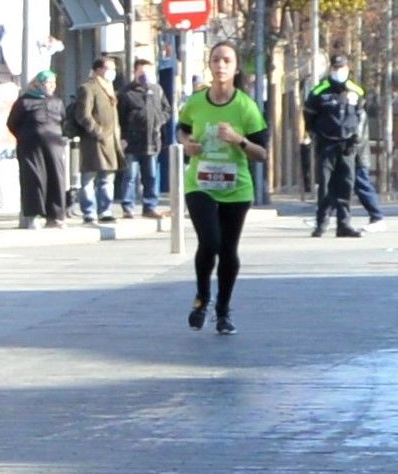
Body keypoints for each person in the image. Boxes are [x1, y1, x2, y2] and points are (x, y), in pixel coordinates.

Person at [177, 53, 268, 333]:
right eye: (216, 60)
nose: (220, 66)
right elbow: (182, 130)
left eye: (227, 61)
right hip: (201, 183)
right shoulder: (195, 102)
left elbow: (261, 153)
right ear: (210, 65)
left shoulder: (246, 106)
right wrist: (187, 144)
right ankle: (202, 298)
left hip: (235, 187)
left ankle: (223, 310)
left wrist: (238, 140)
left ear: (236, 67)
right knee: (210, 241)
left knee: (228, 250)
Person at [301, 67, 370, 238]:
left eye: (342, 68)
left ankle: (344, 224)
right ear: (331, 69)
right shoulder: (319, 91)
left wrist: (357, 137)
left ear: (348, 69)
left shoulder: (356, 90)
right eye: (336, 68)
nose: (339, 71)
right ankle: (321, 223)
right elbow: (309, 115)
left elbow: (361, 116)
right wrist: (314, 134)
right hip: (327, 144)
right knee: (325, 186)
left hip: (348, 145)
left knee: (346, 185)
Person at [70, 57, 125, 237]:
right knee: (88, 179)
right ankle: (89, 212)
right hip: (94, 141)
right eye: (110, 68)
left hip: (111, 141)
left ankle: (105, 211)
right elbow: (83, 114)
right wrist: (97, 131)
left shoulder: (109, 88)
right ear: (99, 69)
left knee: (107, 179)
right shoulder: (88, 87)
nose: (113, 72)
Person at [6, 73, 67, 228]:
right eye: (48, 82)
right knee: (34, 179)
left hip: (55, 147)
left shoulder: (57, 102)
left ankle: (55, 216)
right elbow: (12, 123)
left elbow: (63, 122)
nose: (52, 85)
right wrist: (27, 136)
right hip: (31, 148)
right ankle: (33, 216)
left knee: (56, 179)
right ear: (38, 84)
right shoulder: (25, 101)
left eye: (54, 82)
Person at [113, 52, 165, 217]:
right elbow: (119, 117)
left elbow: (166, 110)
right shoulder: (126, 92)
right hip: (132, 142)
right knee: (130, 176)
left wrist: (159, 121)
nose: (144, 76)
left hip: (151, 141)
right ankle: (128, 207)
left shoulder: (156, 90)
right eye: (141, 72)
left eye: (147, 72)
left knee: (151, 175)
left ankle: (150, 206)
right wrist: (122, 138)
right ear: (135, 72)